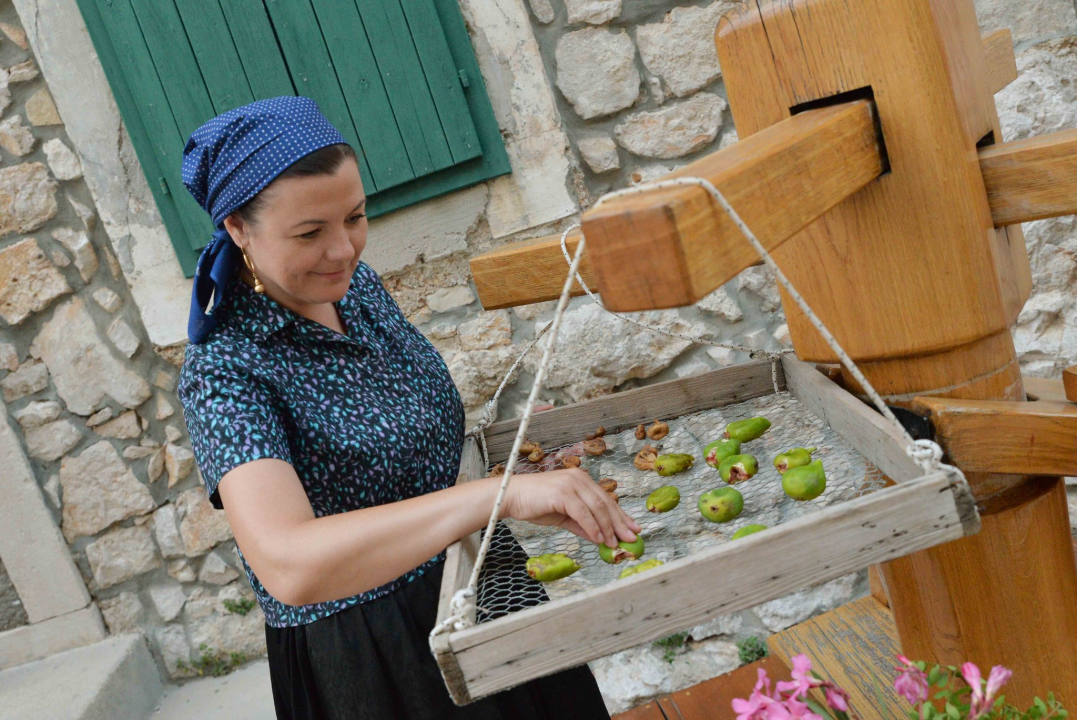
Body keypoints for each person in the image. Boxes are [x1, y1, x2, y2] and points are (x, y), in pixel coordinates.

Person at [177, 96, 641, 719]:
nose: (344, 250)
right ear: (238, 228)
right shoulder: (226, 369)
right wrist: (495, 497)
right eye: (310, 233)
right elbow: (290, 563)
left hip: (482, 585)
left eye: (356, 217)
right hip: (380, 654)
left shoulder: (357, 290)